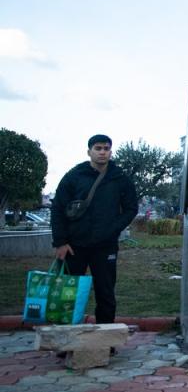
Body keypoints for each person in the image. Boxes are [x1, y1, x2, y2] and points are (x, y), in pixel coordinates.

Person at [51, 135, 138, 324]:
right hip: (74, 246)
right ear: (89, 151)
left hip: (105, 246)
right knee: (68, 292)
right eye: (98, 148)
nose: (102, 152)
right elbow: (58, 208)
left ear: (110, 152)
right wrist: (60, 242)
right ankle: (66, 338)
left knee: (105, 293)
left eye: (106, 148)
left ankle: (106, 338)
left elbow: (131, 208)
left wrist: (113, 228)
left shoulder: (120, 178)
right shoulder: (74, 176)